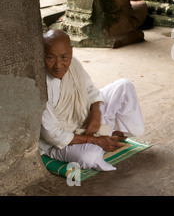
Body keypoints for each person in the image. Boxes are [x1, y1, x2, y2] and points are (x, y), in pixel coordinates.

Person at [39, 29, 145, 171]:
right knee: (90, 157)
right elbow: (53, 134)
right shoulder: (39, 84)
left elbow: (91, 90)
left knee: (124, 86)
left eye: (64, 57)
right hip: (62, 140)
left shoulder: (74, 64)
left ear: (71, 51)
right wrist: (94, 139)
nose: (58, 65)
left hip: (84, 121)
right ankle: (104, 138)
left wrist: (96, 111)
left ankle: (107, 135)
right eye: (51, 58)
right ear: (42, 54)